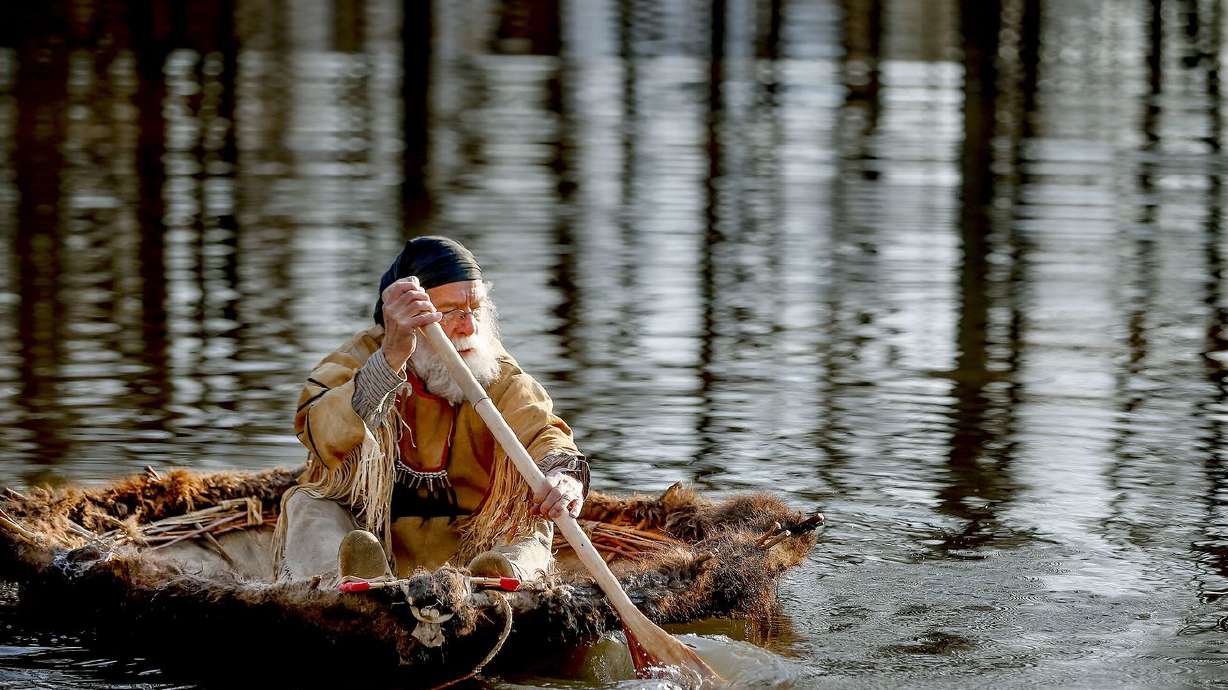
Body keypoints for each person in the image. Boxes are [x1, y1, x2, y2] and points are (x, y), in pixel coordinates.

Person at [274, 236, 588, 584]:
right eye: (451, 313)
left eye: (475, 310)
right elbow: (316, 429)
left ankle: (497, 583)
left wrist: (563, 477)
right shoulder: (361, 356)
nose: (469, 327)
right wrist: (390, 359)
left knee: (533, 519)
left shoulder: (493, 369)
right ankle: (352, 586)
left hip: (474, 550)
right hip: (371, 539)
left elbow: (543, 429)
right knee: (306, 504)